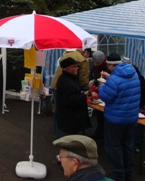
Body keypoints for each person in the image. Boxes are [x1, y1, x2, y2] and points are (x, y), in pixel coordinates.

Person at [98, 53, 140, 181]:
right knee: (128, 145)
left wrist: (101, 85)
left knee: (114, 147)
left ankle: (118, 175)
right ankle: (128, 174)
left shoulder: (114, 80)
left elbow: (106, 97)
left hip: (115, 119)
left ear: (111, 65)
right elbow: (123, 87)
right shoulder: (133, 74)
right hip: (131, 117)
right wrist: (110, 79)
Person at [55, 57, 91, 136]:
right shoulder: (65, 81)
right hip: (69, 120)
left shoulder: (70, 78)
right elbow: (70, 100)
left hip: (72, 119)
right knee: (70, 142)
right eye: (74, 66)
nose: (77, 68)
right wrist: (83, 95)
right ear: (67, 68)